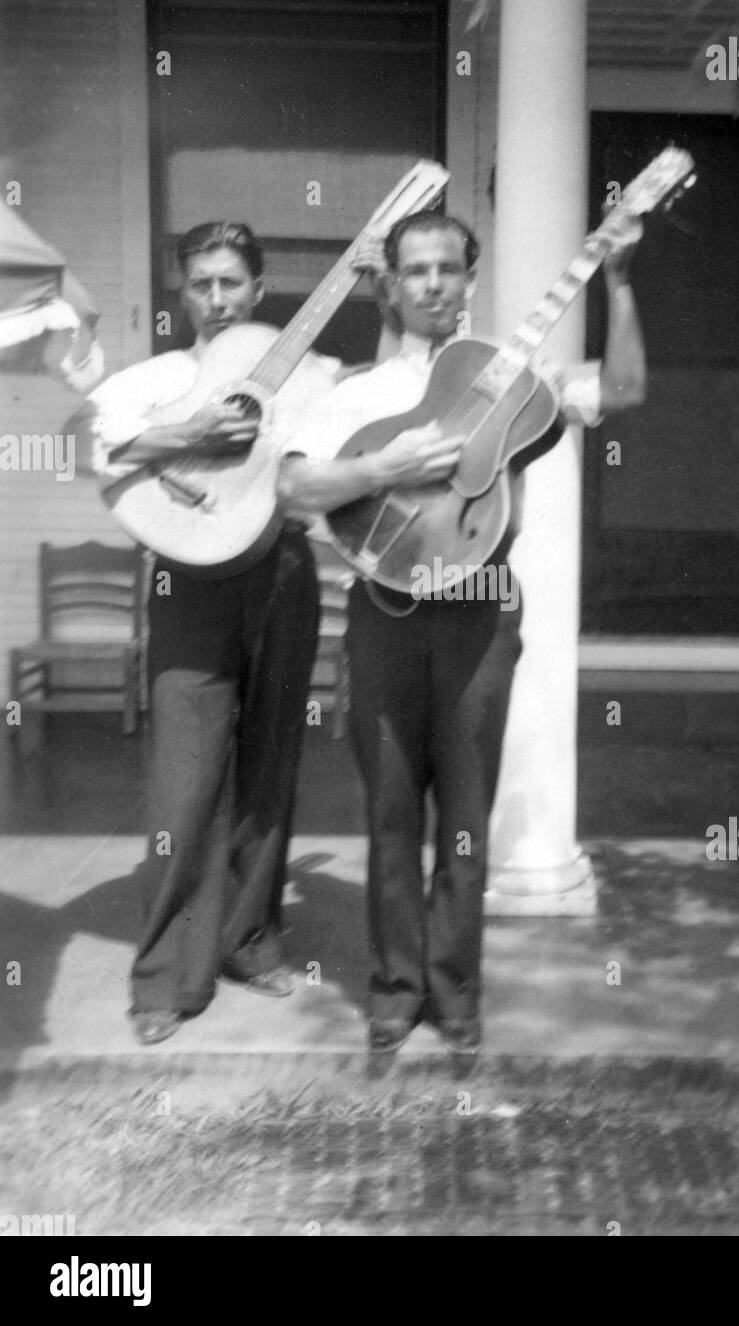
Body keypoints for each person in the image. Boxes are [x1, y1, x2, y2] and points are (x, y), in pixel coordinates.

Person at [278, 207, 645, 1054]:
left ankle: (457, 992)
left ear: (470, 282)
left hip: (478, 614)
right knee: (391, 812)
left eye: (448, 268)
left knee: (467, 816)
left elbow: (621, 390)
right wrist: (383, 468)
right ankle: (395, 990)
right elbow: (296, 492)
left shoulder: (513, 384)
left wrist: (620, 279)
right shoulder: (358, 395)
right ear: (391, 286)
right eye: (416, 270)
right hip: (383, 620)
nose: (434, 283)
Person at [81, 221, 438, 1045]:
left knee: (272, 762)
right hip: (187, 583)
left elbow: (382, 402)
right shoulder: (161, 378)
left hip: (281, 572)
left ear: (259, 287)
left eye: (230, 284)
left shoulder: (305, 371)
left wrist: (381, 287)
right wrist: (185, 434)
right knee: (185, 777)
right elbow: (83, 445)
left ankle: (249, 937)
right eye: (200, 284)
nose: (215, 300)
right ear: (180, 293)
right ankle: (168, 975)